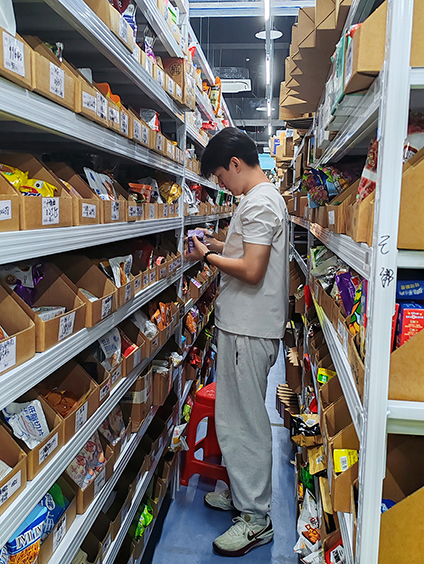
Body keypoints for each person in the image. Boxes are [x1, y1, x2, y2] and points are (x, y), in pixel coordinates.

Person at [184, 127, 289, 557]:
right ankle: (244, 492)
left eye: (221, 177)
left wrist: (207, 256)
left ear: (235, 163)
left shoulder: (261, 202)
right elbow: (246, 250)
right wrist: (216, 243)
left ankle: (255, 519)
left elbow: (252, 269)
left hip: (250, 328)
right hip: (243, 326)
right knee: (234, 416)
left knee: (245, 422)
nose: (222, 185)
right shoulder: (256, 200)